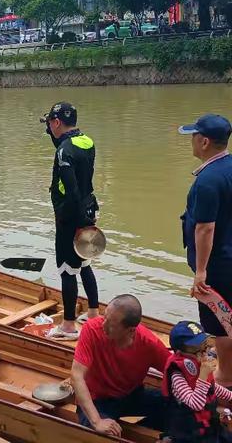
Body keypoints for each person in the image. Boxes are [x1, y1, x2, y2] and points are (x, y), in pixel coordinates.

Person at [179, 114, 232, 387]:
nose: (191, 141)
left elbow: (204, 229)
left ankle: (225, 375)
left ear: (204, 141)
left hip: (218, 263)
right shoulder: (229, 166)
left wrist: (201, 271)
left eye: (193, 136)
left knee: (218, 318)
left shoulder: (208, 180)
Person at [71, 294, 170, 437]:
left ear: (130, 330)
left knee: (178, 405)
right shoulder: (92, 329)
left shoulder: (149, 343)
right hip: (98, 400)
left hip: (131, 395)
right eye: (104, 318)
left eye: (111, 324)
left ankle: (142, 432)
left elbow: (179, 371)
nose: (103, 325)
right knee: (105, 434)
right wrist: (97, 421)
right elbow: (76, 376)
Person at [41, 102, 100, 340]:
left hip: (71, 216)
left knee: (67, 270)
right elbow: (67, 150)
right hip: (89, 209)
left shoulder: (65, 150)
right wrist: (87, 221)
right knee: (84, 262)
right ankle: (94, 313)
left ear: (56, 122)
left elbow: (71, 189)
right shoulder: (86, 141)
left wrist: (75, 223)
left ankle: (68, 326)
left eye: (50, 123)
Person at [161, 320, 232, 443]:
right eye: (196, 348)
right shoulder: (177, 376)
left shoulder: (199, 365)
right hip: (190, 434)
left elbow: (212, 388)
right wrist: (203, 376)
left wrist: (231, 396)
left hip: (210, 426)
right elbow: (196, 404)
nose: (203, 351)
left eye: (204, 345)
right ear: (180, 351)